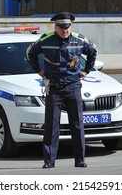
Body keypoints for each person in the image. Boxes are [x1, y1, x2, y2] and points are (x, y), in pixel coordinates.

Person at [26, 12, 97, 168]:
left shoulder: (79, 40)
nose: (65, 30)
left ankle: (80, 160)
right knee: (52, 125)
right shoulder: (46, 40)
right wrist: (38, 70)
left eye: (67, 27)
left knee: (77, 124)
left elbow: (93, 52)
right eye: (61, 27)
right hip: (54, 87)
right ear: (55, 27)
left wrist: (86, 71)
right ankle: (49, 161)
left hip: (73, 86)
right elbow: (30, 52)